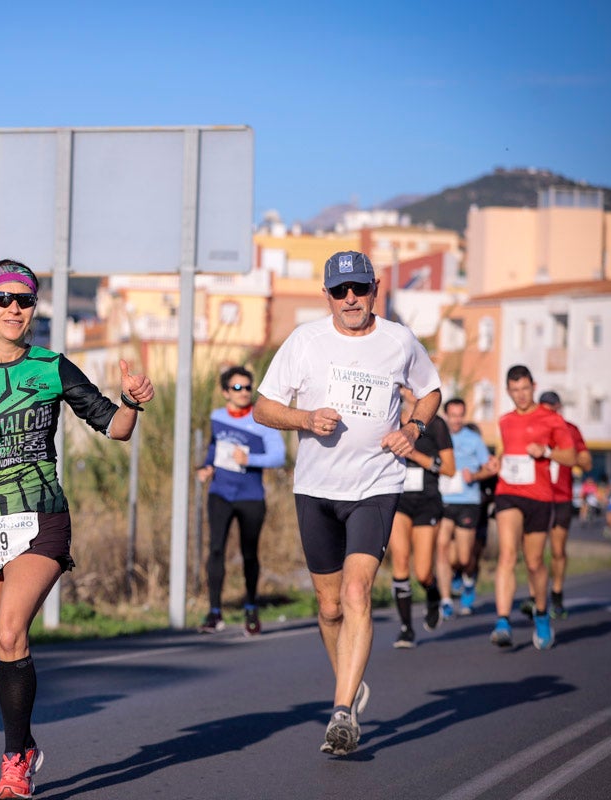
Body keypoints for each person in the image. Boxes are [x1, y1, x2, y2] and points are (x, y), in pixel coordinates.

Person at [0, 259, 153, 799]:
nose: (14, 309)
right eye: (2, 300)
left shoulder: (51, 366)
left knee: (8, 632)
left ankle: (13, 763)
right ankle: (23, 743)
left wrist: (133, 404)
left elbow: (114, 427)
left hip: (41, 516)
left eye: (24, 300)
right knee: (2, 647)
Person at [253, 250, 441, 756]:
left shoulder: (399, 340)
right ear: (327, 295)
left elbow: (430, 391)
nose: (350, 299)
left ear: (375, 288)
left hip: (375, 485)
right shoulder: (305, 342)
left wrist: (412, 428)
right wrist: (305, 418)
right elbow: (263, 406)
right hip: (315, 489)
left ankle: (340, 716)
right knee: (330, 605)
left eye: (358, 288)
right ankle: (349, 685)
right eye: (340, 291)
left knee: (357, 594)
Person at [488, 365, 575, 650]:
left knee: (535, 562)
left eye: (525, 389)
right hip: (508, 492)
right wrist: (497, 462)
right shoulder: (505, 420)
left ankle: (541, 614)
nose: (520, 395)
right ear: (508, 391)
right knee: (507, 555)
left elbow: (571, 456)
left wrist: (547, 452)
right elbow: (505, 450)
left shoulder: (551, 420)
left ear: (533, 386)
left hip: (539, 496)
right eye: (514, 391)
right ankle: (502, 622)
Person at [194, 366, 286, 635]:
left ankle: (250, 607)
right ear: (225, 392)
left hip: (251, 496)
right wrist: (206, 467)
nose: (244, 392)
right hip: (221, 493)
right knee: (216, 550)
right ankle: (214, 612)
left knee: (249, 553)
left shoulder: (261, 417)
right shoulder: (217, 417)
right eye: (237, 388)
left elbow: (279, 456)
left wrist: (251, 460)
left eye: (248, 387)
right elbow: (213, 450)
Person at [387, 386, 454, 647]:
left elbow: (449, 469)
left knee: (424, 571)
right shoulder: (390, 418)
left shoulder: (436, 425)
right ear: (402, 389)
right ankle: (406, 629)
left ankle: (432, 592)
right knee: (400, 560)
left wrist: (415, 454)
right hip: (398, 497)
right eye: (408, 386)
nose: (413, 391)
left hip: (427, 501)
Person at [533, 391, 592, 618]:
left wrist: (562, 454)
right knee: (534, 553)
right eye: (544, 408)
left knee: (557, 550)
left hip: (561, 496)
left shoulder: (571, 429)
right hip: (536, 496)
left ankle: (556, 593)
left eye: (552, 408)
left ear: (559, 408)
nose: (549, 413)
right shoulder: (533, 427)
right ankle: (534, 596)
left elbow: (586, 462)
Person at [436, 399, 497, 617]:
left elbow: (490, 468)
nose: (456, 420)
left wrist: (476, 475)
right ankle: (445, 600)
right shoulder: (439, 437)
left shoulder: (474, 440)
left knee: (463, 557)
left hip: (468, 501)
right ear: (446, 415)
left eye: (460, 415)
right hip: (444, 500)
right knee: (442, 549)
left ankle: (468, 578)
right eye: (452, 415)